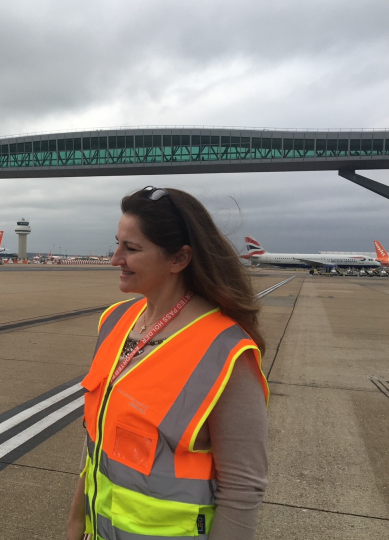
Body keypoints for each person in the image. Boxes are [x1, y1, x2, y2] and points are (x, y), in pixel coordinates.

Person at [66, 187, 269, 540]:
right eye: (117, 243)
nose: (115, 259)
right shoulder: (115, 321)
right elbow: (97, 443)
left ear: (179, 259)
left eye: (131, 249)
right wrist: (76, 520)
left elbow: (242, 488)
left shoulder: (225, 351)